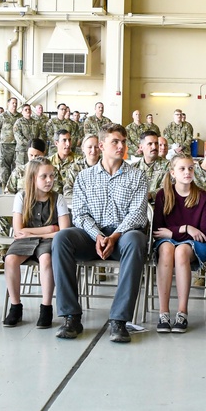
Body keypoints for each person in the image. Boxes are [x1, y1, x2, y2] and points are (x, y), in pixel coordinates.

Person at [52, 124, 149, 343]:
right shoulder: (84, 177)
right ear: (102, 145)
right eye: (115, 141)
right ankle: (71, 317)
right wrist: (97, 235)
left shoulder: (137, 176)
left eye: (123, 141)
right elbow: (80, 214)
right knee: (61, 238)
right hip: (90, 237)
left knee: (136, 239)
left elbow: (138, 214)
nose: (121, 146)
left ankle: (119, 320)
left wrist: (114, 236)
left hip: (122, 236)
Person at [3, 157, 71, 328]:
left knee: (46, 259)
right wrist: (50, 229)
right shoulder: (21, 196)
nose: (49, 180)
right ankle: (15, 306)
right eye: (44, 176)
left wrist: (39, 232)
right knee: (10, 260)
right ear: (33, 178)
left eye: (52, 176)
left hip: (48, 242)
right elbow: (19, 231)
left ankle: (46, 307)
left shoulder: (58, 198)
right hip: (27, 240)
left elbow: (64, 232)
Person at [151, 152, 206, 334]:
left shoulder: (202, 197)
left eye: (191, 168)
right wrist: (185, 228)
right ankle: (163, 312)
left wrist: (174, 231)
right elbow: (158, 231)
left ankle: (182, 312)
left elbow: (205, 234)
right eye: (182, 169)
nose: (187, 172)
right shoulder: (163, 195)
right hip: (168, 242)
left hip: (193, 246)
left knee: (181, 251)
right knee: (167, 248)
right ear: (172, 172)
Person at [0, 97, 20, 186]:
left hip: (17, 146)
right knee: (4, 167)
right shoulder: (2, 116)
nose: (15, 105)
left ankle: (14, 186)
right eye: (13, 103)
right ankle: (4, 186)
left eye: (16, 103)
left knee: (16, 167)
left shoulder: (20, 117)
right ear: (8, 104)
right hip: (5, 145)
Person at [12, 104, 41, 170]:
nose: (28, 111)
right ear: (22, 112)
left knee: (33, 168)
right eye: (26, 110)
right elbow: (18, 137)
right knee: (21, 169)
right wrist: (30, 144)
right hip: (22, 151)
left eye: (29, 109)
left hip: (34, 151)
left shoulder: (36, 122)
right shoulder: (18, 122)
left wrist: (36, 145)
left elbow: (40, 135)